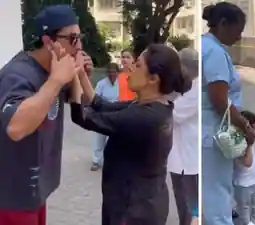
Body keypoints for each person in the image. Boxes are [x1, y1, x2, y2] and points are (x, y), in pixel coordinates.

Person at [69, 44, 191, 225]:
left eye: (138, 65)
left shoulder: (145, 117)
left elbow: (84, 117)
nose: (131, 68)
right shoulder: (151, 106)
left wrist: (70, 76)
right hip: (138, 202)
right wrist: (81, 75)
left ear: (153, 79)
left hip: (133, 211)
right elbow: (101, 104)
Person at [0, 5, 90, 225]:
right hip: (14, 195)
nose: (79, 46)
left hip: (36, 189)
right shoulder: (18, 74)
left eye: (80, 37)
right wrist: (56, 81)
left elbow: (83, 105)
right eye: (72, 38)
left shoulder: (54, 68)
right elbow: (15, 127)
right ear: (49, 41)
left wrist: (79, 75)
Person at [202, 2, 255, 224]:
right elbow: (220, 100)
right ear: (222, 24)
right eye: (238, 31)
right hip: (215, 131)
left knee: (218, 189)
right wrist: (245, 127)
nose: (239, 37)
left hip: (213, 129)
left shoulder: (209, 47)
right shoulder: (214, 52)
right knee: (217, 195)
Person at [167, 48, 199, 225]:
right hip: (179, 154)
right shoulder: (185, 87)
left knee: (190, 202)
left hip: (188, 157)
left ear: (185, 68)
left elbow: (174, 115)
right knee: (182, 199)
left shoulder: (195, 90)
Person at [90, 63, 121, 171]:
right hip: (103, 113)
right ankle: (96, 161)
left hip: (117, 114)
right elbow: (95, 98)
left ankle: (111, 162)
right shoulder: (101, 83)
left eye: (114, 72)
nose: (112, 74)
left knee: (113, 140)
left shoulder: (122, 83)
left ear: (118, 72)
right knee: (100, 138)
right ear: (107, 72)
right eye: (110, 72)